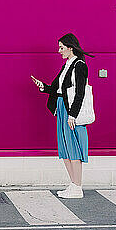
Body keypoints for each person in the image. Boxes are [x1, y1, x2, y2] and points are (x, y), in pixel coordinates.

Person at [31, 33, 94, 199]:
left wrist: (72, 115)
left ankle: (77, 187)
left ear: (70, 47)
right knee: (65, 149)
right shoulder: (66, 65)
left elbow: (80, 92)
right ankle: (73, 184)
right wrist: (43, 87)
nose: (59, 51)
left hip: (70, 110)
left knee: (74, 147)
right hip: (61, 108)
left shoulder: (79, 65)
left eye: (61, 47)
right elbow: (57, 88)